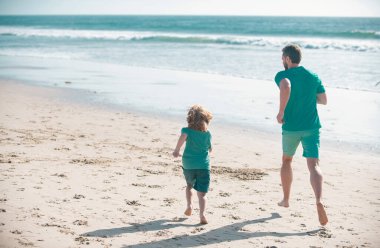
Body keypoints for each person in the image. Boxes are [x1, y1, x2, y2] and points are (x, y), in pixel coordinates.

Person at [274, 44, 328, 226]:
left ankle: (286, 199)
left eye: (282, 58)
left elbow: (286, 86)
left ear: (288, 59)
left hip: (291, 127)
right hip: (312, 127)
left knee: (287, 160)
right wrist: (307, 97)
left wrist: (281, 111)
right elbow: (323, 100)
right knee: (314, 165)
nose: (282, 61)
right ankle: (319, 200)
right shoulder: (313, 76)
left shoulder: (282, 76)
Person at [173, 104, 213, 225]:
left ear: (189, 119)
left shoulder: (186, 131)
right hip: (204, 166)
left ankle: (189, 206)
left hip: (189, 164)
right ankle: (202, 215)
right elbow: (210, 149)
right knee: (202, 194)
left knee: (189, 186)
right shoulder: (207, 134)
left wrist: (177, 150)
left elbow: (183, 137)